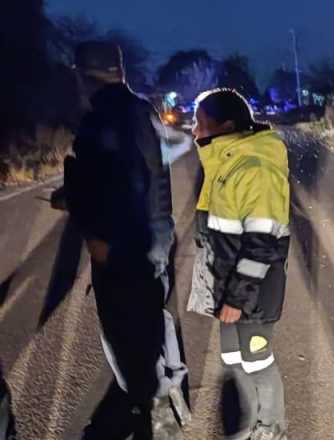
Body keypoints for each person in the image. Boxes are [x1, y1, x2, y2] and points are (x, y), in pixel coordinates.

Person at [56, 41, 189, 439]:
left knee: (124, 334)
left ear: (85, 74)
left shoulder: (102, 119)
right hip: (156, 232)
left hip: (124, 241)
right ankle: (166, 397)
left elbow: (121, 184)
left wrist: (98, 235)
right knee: (153, 317)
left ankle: (147, 408)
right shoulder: (140, 109)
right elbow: (145, 170)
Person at [187, 89, 290, 440]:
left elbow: (262, 244)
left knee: (257, 362)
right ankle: (247, 427)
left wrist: (236, 297)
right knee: (233, 361)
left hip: (252, 294)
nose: (193, 130)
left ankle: (271, 430)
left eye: (200, 123)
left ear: (225, 126)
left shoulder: (255, 168)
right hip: (229, 289)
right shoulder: (223, 165)